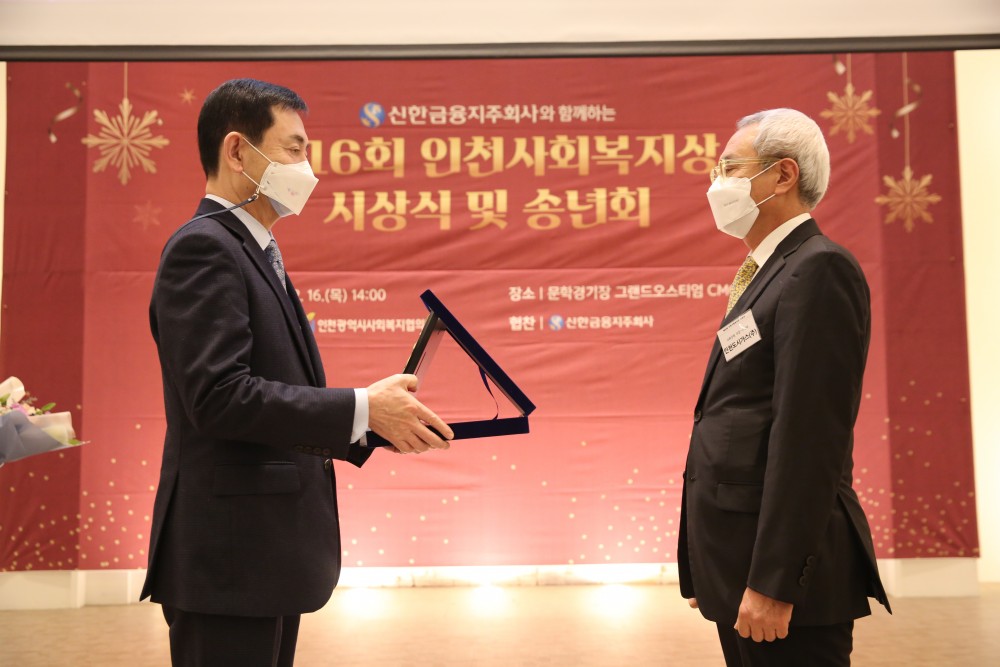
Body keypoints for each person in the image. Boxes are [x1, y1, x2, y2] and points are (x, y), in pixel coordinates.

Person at [140, 78, 454, 667]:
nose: (307, 168)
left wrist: (371, 420)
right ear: (238, 151)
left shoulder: (252, 249)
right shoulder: (204, 248)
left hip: (261, 555)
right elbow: (219, 396)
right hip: (230, 557)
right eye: (293, 149)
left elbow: (271, 394)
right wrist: (359, 407)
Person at [677, 108, 891, 667]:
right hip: (738, 558)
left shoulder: (819, 269)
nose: (716, 183)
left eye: (730, 167)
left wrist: (774, 580)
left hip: (783, 580)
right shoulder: (766, 271)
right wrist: (704, 560)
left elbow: (809, 439)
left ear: (782, 175)